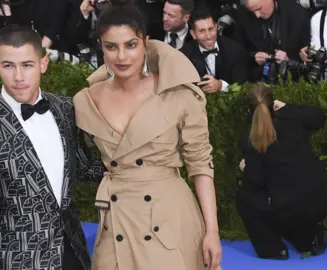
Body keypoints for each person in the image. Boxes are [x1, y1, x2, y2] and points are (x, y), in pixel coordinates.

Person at [73, 2, 222, 270]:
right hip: (116, 218)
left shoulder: (177, 93)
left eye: (130, 45)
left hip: (168, 217)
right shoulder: (86, 101)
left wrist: (212, 230)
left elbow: (200, 163)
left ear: (145, 43)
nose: (122, 56)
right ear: (100, 46)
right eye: (111, 46)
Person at [0, 25, 105, 270]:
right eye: (8, 66)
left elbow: (83, 167)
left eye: (27, 65)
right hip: (16, 260)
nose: (19, 77)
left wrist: (134, 168)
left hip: (71, 251)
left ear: (43, 64)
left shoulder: (64, 109)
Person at [236, 84, 327, 260]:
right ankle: (309, 240)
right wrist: (289, 108)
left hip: (289, 207)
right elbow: (319, 117)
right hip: (322, 200)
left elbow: (255, 182)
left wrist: (247, 168)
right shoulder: (293, 119)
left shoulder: (252, 140)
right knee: (289, 200)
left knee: (246, 198)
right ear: (273, 101)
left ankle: (274, 250)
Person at [232, 0, 311, 82]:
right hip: (258, 78)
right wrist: (253, 56)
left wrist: (289, 61)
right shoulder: (242, 15)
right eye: (253, 11)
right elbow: (237, 49)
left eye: (259, 9)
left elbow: (306, 51)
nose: (257, 15)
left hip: (293, 79)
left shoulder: (296, 13)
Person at [180, 7, 249, 93]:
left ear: (216, 27)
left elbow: (242, 85)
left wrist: (221, 85)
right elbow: (182, 88)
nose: (208, 36)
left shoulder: (235, 50)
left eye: (211, 29)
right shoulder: (184, 55)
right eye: (202, 31)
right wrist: (199, 90)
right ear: (193, 34)